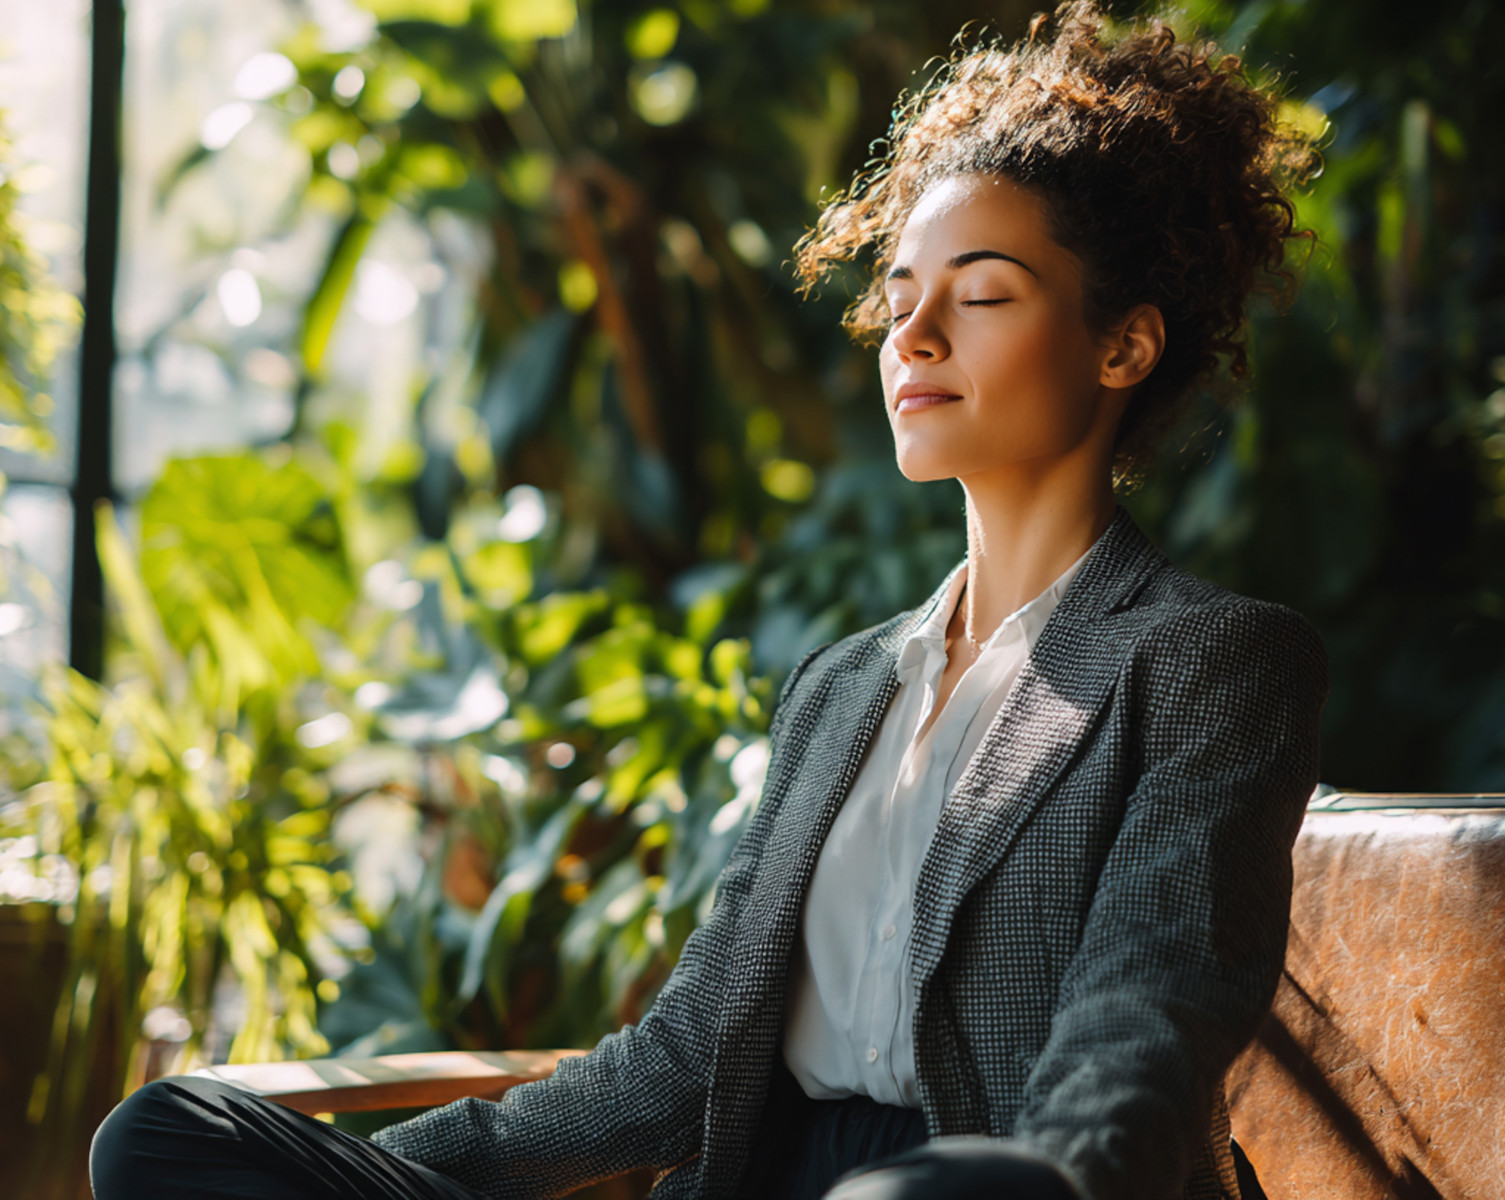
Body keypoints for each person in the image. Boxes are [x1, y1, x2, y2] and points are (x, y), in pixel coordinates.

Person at [89, 3, 1327, 1198]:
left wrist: (1036, 1180)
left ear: (1123, 346)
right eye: (900, 296)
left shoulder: (1212, 661)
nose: (914, 335)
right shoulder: (844, 687)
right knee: (170, 1135)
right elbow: (682, 1063)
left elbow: (1148, 1019)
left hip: (1004, 1184)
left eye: (983, 294)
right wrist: (369, 1180)